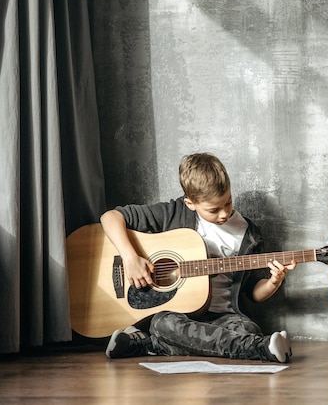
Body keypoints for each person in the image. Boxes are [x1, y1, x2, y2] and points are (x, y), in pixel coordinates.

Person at [101, 153, 295, 362]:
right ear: (190, 203)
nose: (223, 214)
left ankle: (147, 345)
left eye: (228, 202)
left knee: (248, 328)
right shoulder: (173, 212)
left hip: (225, 318)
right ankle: (260, 349)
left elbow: (254, 293)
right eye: (213, 209)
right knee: (162, 323)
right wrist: (130, 258)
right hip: (180, 317)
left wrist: (274, 281)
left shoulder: (250, 234)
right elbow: (110, 217)